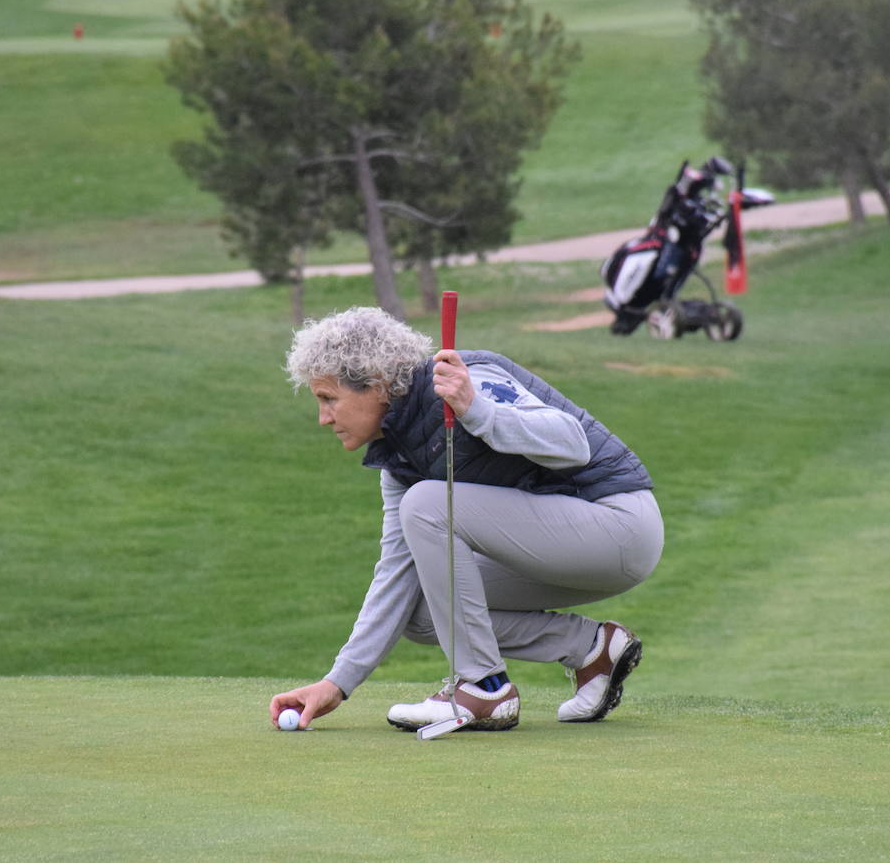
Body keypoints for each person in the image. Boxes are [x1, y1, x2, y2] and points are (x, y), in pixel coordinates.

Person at [268, 306, 664, 732]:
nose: (323, 418)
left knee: (426, 504)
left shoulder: (469, 376)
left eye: (329, 399)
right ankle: (592, 648)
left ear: (378, 385)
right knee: (420, 611)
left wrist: (476, 408)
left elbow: (573, 444)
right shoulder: (399, 460)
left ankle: (484, 687)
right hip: (559, 546)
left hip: (619, 526)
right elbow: (397, 573)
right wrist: (337, 682)